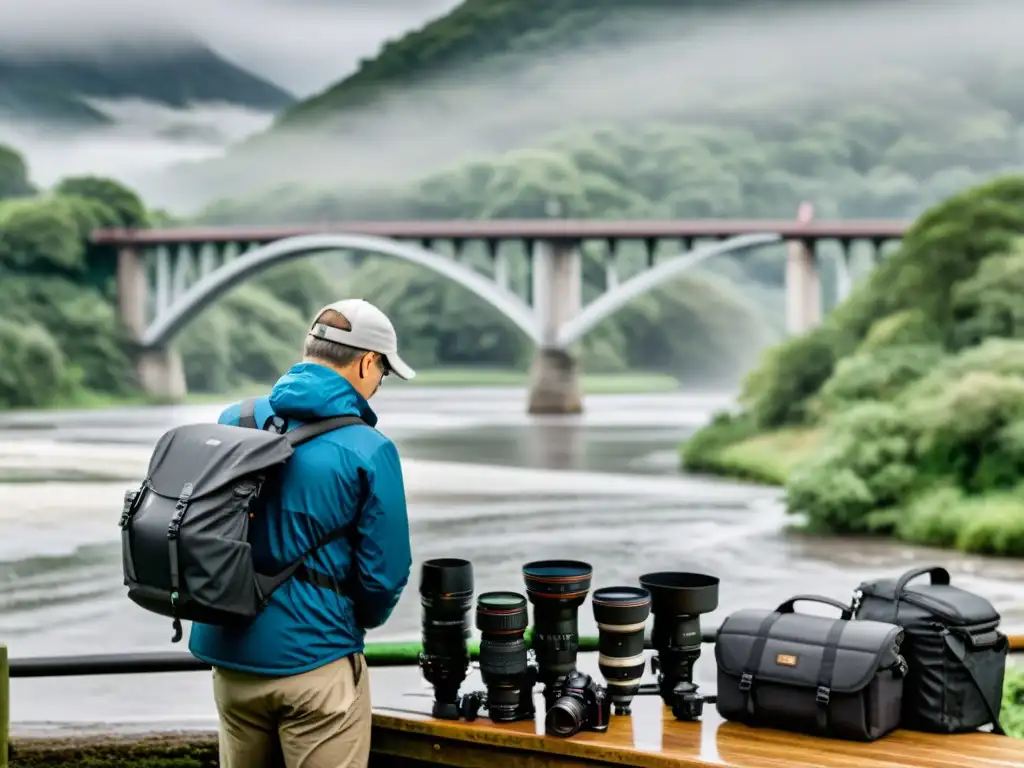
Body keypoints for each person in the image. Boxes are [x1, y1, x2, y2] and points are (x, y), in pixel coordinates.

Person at [189, 298, 415, 768]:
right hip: (317, 664)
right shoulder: (369, 450)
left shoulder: (236, 420)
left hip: (230, 661)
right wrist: (352, 622)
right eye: (383, 374)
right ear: (367, 362)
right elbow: (384, 576)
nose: (378, 385)